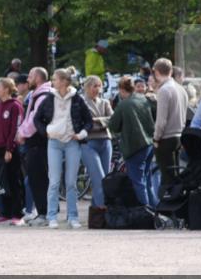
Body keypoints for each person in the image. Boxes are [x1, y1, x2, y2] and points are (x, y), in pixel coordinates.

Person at [34, 69, 93, 229]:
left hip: (72, 143)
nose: (52, 81)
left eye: (55, 79)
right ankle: (52, 216)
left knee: (71, 182)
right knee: (54, 181)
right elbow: (37, 119)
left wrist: (81, 134)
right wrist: (45, 131)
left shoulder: (77, 99)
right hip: (54, 143)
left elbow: (89, 121)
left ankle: (72, 217)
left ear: (64, 81)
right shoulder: (49, 98)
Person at [109, 76, 157, 207]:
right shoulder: (144, 99)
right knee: (147, 179)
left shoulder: (123, 104)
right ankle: (155, 208)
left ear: (121, 89)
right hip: (149, 144)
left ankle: (146, 211)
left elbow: (113, 126)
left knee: (138, 181)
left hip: (134, 147)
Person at [17, 67, 53, 223]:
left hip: (38, 142)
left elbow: (33, 120)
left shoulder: (42, 96)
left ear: (38, 78)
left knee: (38, 178)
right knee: (37, 178)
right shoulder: (38, 95)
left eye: (30, 76)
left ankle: (44, 213)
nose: (28, 79)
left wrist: (22, 133)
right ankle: (44, 212)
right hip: (37, 142)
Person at [0, 77, 25, 225]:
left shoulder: (15, 106)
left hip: (10, 149)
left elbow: (15, 128)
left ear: (6, 89)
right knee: (1, 182)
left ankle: (17, 215)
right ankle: (5, 213)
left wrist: (10, 148)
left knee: (14, 181)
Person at [80, 75, 114, 219]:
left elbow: (113, 119)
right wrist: (103, 122)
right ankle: (104, 213)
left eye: (99, 86)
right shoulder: (81, 103)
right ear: (87, 87)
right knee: (98, 178)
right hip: (89, 143)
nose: (97, 89)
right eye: (94, 86)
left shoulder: (104, 102)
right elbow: (84, 123)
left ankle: (96, 215)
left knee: (105, 179)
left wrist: (96, 121)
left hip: (105, 142)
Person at [152, 58, 188, 189]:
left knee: (167, 178)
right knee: (175, 176)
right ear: (171, 71)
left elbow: (161, 120)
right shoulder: (181, 89)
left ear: (156, 72)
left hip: (166, 138)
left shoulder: (164, 90)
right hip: (179, 135)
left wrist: (156, 138)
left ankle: (167, 200)